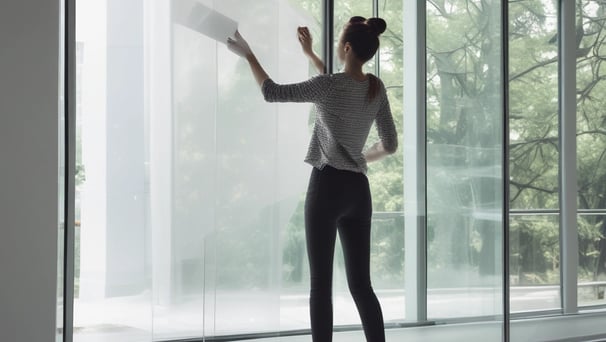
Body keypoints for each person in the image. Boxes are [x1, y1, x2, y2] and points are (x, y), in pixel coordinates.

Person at [227, 16, 397, 342]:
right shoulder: (375, 87)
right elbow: (389, 144)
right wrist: (362, 156)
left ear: (346, 48)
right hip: (359, 192)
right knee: (362, 285)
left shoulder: (330, 86)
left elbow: (272, 92)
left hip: (328, 187)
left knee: (321, 285)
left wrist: (248, 54)